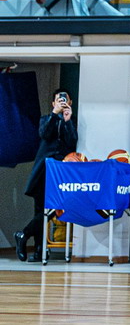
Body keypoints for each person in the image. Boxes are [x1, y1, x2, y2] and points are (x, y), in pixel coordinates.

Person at [14, 90, 78, 262]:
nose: (62, 102)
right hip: (44, 171)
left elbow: (72, 142)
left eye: (65, 100)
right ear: (53, 103)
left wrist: (67, 120)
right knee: (40, 209)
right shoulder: (45, 119)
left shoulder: (71, 121)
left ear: (70, 102)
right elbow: (44, 134)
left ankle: (23, 234)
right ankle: (39, 251)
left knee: (54, 208)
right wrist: (55, 114)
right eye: (59, 100)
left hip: (61, 173)